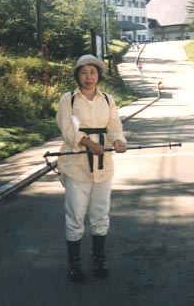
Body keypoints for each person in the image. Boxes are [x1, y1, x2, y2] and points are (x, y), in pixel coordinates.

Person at [56, 54, 127, 283]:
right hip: (76, 165)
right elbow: (68, 129)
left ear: (99, 75)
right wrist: (88, 143)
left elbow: (113, 125)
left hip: (103, 165)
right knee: (76, 216)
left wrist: (118, 140)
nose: (89, 77)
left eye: (93, 72)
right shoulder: (68, 99)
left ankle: (99, 259)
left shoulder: (107, 99)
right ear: (77, 75)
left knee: (100, 214)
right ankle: (74, 265)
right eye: (84, 72)